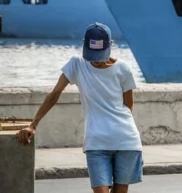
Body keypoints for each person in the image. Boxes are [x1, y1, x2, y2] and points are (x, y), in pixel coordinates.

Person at [17, 23, 143, 193]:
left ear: (110, 46)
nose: (96, 61)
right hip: (96, 142)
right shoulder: (77, 64)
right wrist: (33, 124)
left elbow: (129, 105)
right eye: (92, 56)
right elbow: (55, 94)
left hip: (126, 141)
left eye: (100, 55)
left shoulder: (123, 69)